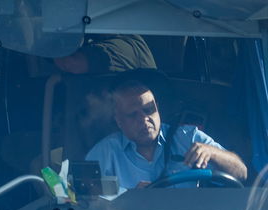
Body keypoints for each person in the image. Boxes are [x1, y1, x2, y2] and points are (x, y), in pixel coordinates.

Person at [85, 80, 248, 192]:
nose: (144, 119)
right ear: (119, 121)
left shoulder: (189, 138)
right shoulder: (106, 152)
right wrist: (128, 197)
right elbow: (80, 194)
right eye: (133, 115)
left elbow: (241, 172)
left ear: (158, 108)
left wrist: (213, 153)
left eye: (149, 110)